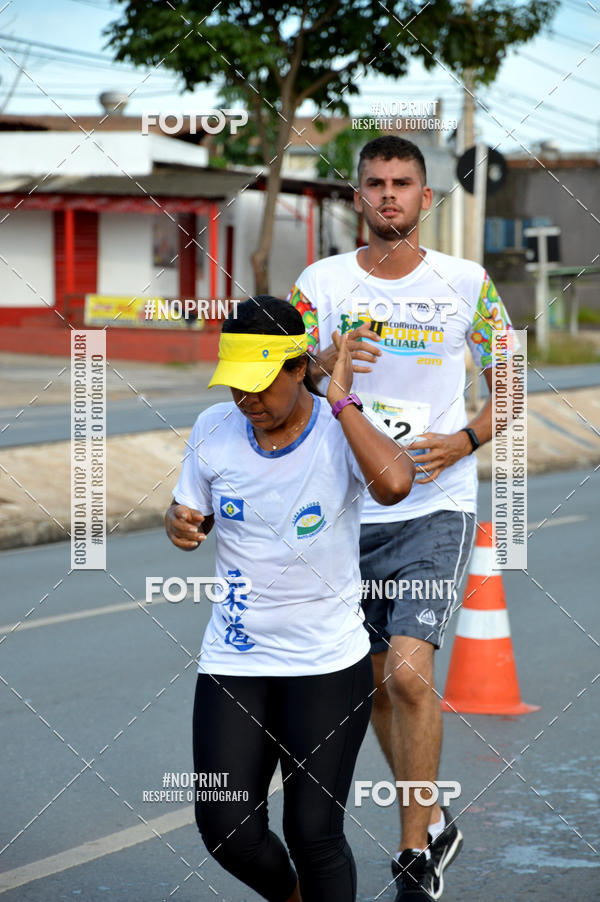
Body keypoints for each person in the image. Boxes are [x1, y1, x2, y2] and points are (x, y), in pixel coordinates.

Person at [288, 136, 515, 900]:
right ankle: (438, 817)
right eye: (376, 183)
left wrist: (464, 440)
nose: (389, 194)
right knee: (380, 685)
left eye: (403, 183)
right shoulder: (318, 284)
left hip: (434, 510)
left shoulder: (469, 284)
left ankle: (414, 853)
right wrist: (328, 363)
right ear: (358, 197)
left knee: (413, 675)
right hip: (346, 510)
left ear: (425, 198)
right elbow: (284, 377)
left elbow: (510, 388)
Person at [165, 296, 415, 902]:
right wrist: (177, 522)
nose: (247, 400)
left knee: (314, 834)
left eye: (259, 384)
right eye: (235, 386)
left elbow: (396, 484)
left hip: (325, 665)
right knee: (227, 832)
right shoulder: (213, 429)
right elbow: (184, 509)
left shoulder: (340, 427)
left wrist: (343, 399)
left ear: (297, 368)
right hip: (236, 661)